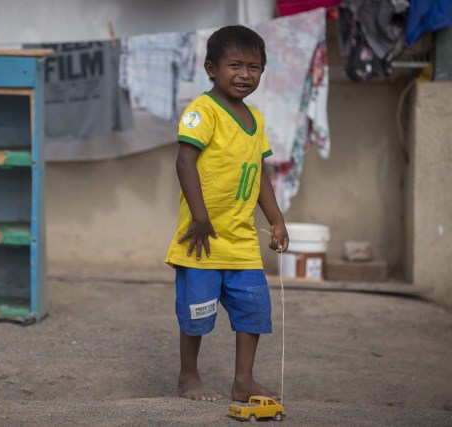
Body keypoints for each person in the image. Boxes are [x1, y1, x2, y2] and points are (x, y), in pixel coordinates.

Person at [165, 25, 289, 402]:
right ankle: (189, 377)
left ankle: (243, 381)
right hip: (201, 239)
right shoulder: (202, 111)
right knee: (197, 315)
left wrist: (275, 217)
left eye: (254, 67)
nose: (245, 74)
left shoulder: (256, 120)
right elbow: (184, 163)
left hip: (241, 240)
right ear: (210, 68)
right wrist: (200, 217)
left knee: (253, 310)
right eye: (234, 65)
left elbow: (260, 175)